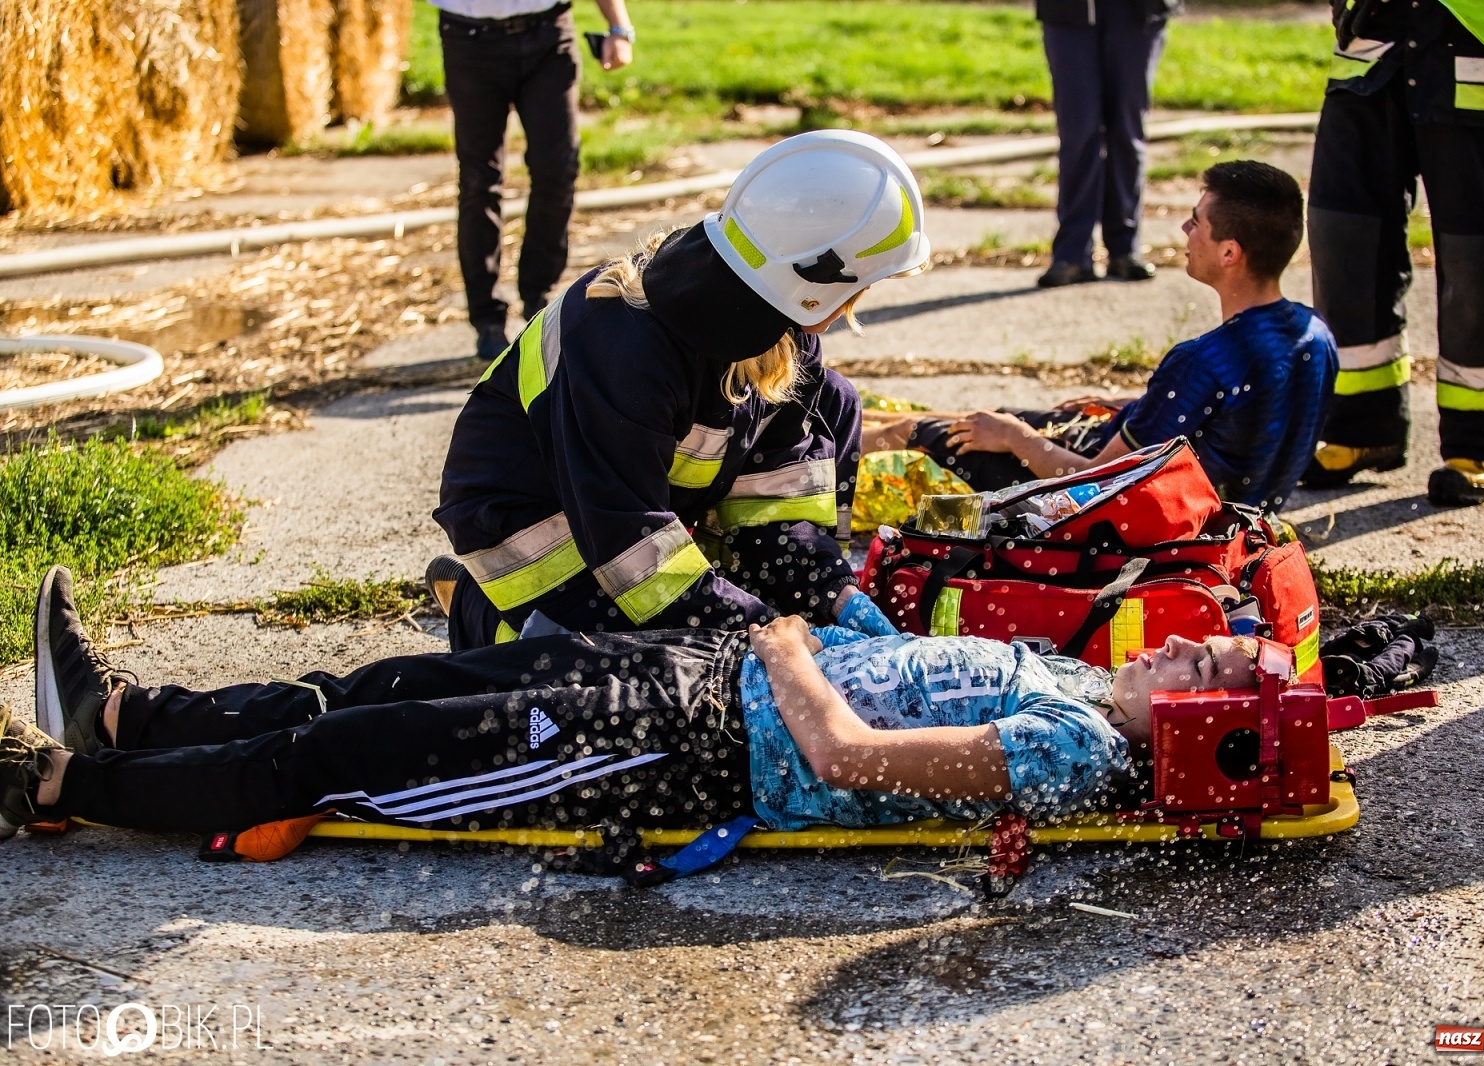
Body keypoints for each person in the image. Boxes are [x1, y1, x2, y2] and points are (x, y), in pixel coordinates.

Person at [4, 568, 1264, 842]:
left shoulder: (1070, 753)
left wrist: (790, 651)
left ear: (1203, 732)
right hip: (691, 673)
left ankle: (54, 783)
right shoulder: (1071, 679)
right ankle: (122, 716)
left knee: (349, 750)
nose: (1181, 646)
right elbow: (894, 673)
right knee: (390, 683)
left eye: (1203, 668)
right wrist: (832, 605)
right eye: (1202, 641)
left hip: (675, 746)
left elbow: (845, 754)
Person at [430, 130, 932, 651]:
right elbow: (634, 552)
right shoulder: (619, 347)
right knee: (658, 679)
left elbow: (776, 518)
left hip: (625, 519)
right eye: (859, 289)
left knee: (833, 400)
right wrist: (768, 633)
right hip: (540, 535)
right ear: (816, 283)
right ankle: (481, 612)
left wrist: (831, 597)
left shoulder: (777, 319)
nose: (851, 307)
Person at [865, 161, 1337, 513]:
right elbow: (1235, 418)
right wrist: (1138, 403)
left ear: (1230, 252)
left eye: (1197, 221)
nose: (1185, 229)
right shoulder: (1316, 335)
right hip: (1226, 509)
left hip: (1121, 517)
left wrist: (1015, 437)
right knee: (980, 419)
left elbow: (1096, 485)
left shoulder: (1203, 361)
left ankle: (823, 455)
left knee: (910, 433)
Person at [1299, 0, 1484, 505]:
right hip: (1374, 37)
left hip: (1476, 40)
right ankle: (1361, 427)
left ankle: (1479, 443)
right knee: (1345, 236)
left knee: (1476, 254)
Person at [431, 0, 636, 363]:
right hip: (469, 39)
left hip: (548, 37)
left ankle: (539, 296)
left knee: (557, 171)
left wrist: (619, 28)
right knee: (479, 183)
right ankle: (487, 318)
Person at [1035, 0, 1180, 288]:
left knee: (1128, 131)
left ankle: (1125, 249)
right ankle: (1072, 254)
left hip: (1137, 11)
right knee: (1078, 133)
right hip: (1069, 12)